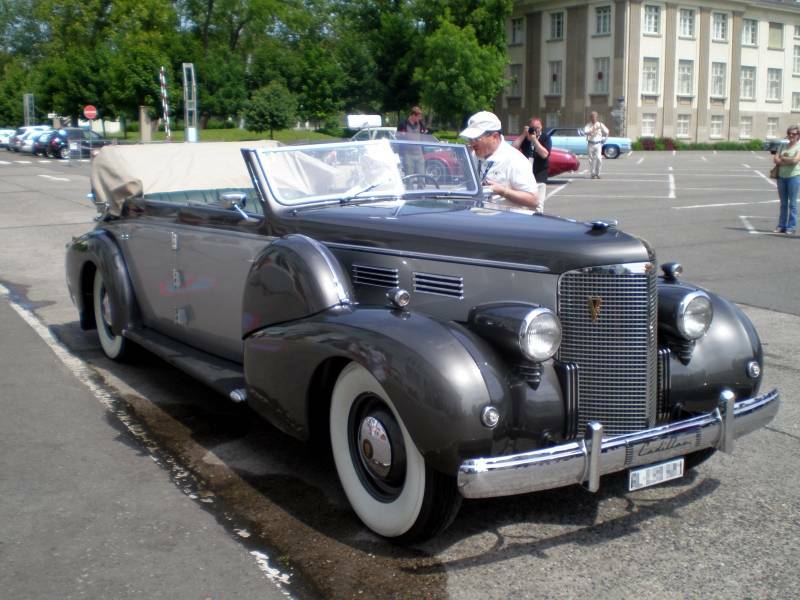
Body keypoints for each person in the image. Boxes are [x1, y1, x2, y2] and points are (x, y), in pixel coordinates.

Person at [459, 111, 539, 212]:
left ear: (494, 136)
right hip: (479, 219)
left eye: (476, 138)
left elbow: (534, 200)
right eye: (470, 138)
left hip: (508, 223)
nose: (472, 142)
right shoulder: (474, 155)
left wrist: (503, 191)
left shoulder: (515, 160)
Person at [773, 124, 800, 235]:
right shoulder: (782, 146)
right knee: (783, 203)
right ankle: (782, 226)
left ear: (798, 135)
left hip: (793, 177)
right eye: (789, 133)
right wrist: (787, 160)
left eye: (793, 134)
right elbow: (775, 159)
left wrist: (783, 158)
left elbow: (795, 161)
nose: (791, 135)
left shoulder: (799, 147)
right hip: (781, 177)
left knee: (792, 204)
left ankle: (791, 227)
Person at [512, 117, 551, 183]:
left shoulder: (545, 137)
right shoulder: (525, 137)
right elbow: (513, 149)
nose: (536, 130)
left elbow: (544, 155)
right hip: (526, 170)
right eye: (533, 128)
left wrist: (534, 140)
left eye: (538, 127)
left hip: (540, 170)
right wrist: (523, 134)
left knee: (539, 190)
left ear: (541, 127)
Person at [397, 106, 427, 181]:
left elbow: (423, 135)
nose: (420, 118)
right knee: (409, 178)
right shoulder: (403, 124)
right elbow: (397, 136)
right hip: (408, 154)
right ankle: (410, 189)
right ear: (413, 115)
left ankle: (422, 191)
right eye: (418, 117)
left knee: (422, 177)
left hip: (419, 154)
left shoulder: (421, 124)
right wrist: (402, 136)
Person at [584, 111, 609, 179]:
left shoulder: (600, 124)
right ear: (590, 118)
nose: (593, 118)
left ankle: (598, 173)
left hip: (598, 144)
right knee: (591, 159)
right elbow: (585, 132)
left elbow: (607, 131)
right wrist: (593, 130)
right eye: (592, 117)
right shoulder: (588, 125)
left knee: (599, 158)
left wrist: (605, 138)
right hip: (591, 144)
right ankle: (592, 174)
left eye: (594, 117)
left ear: (597, 117)